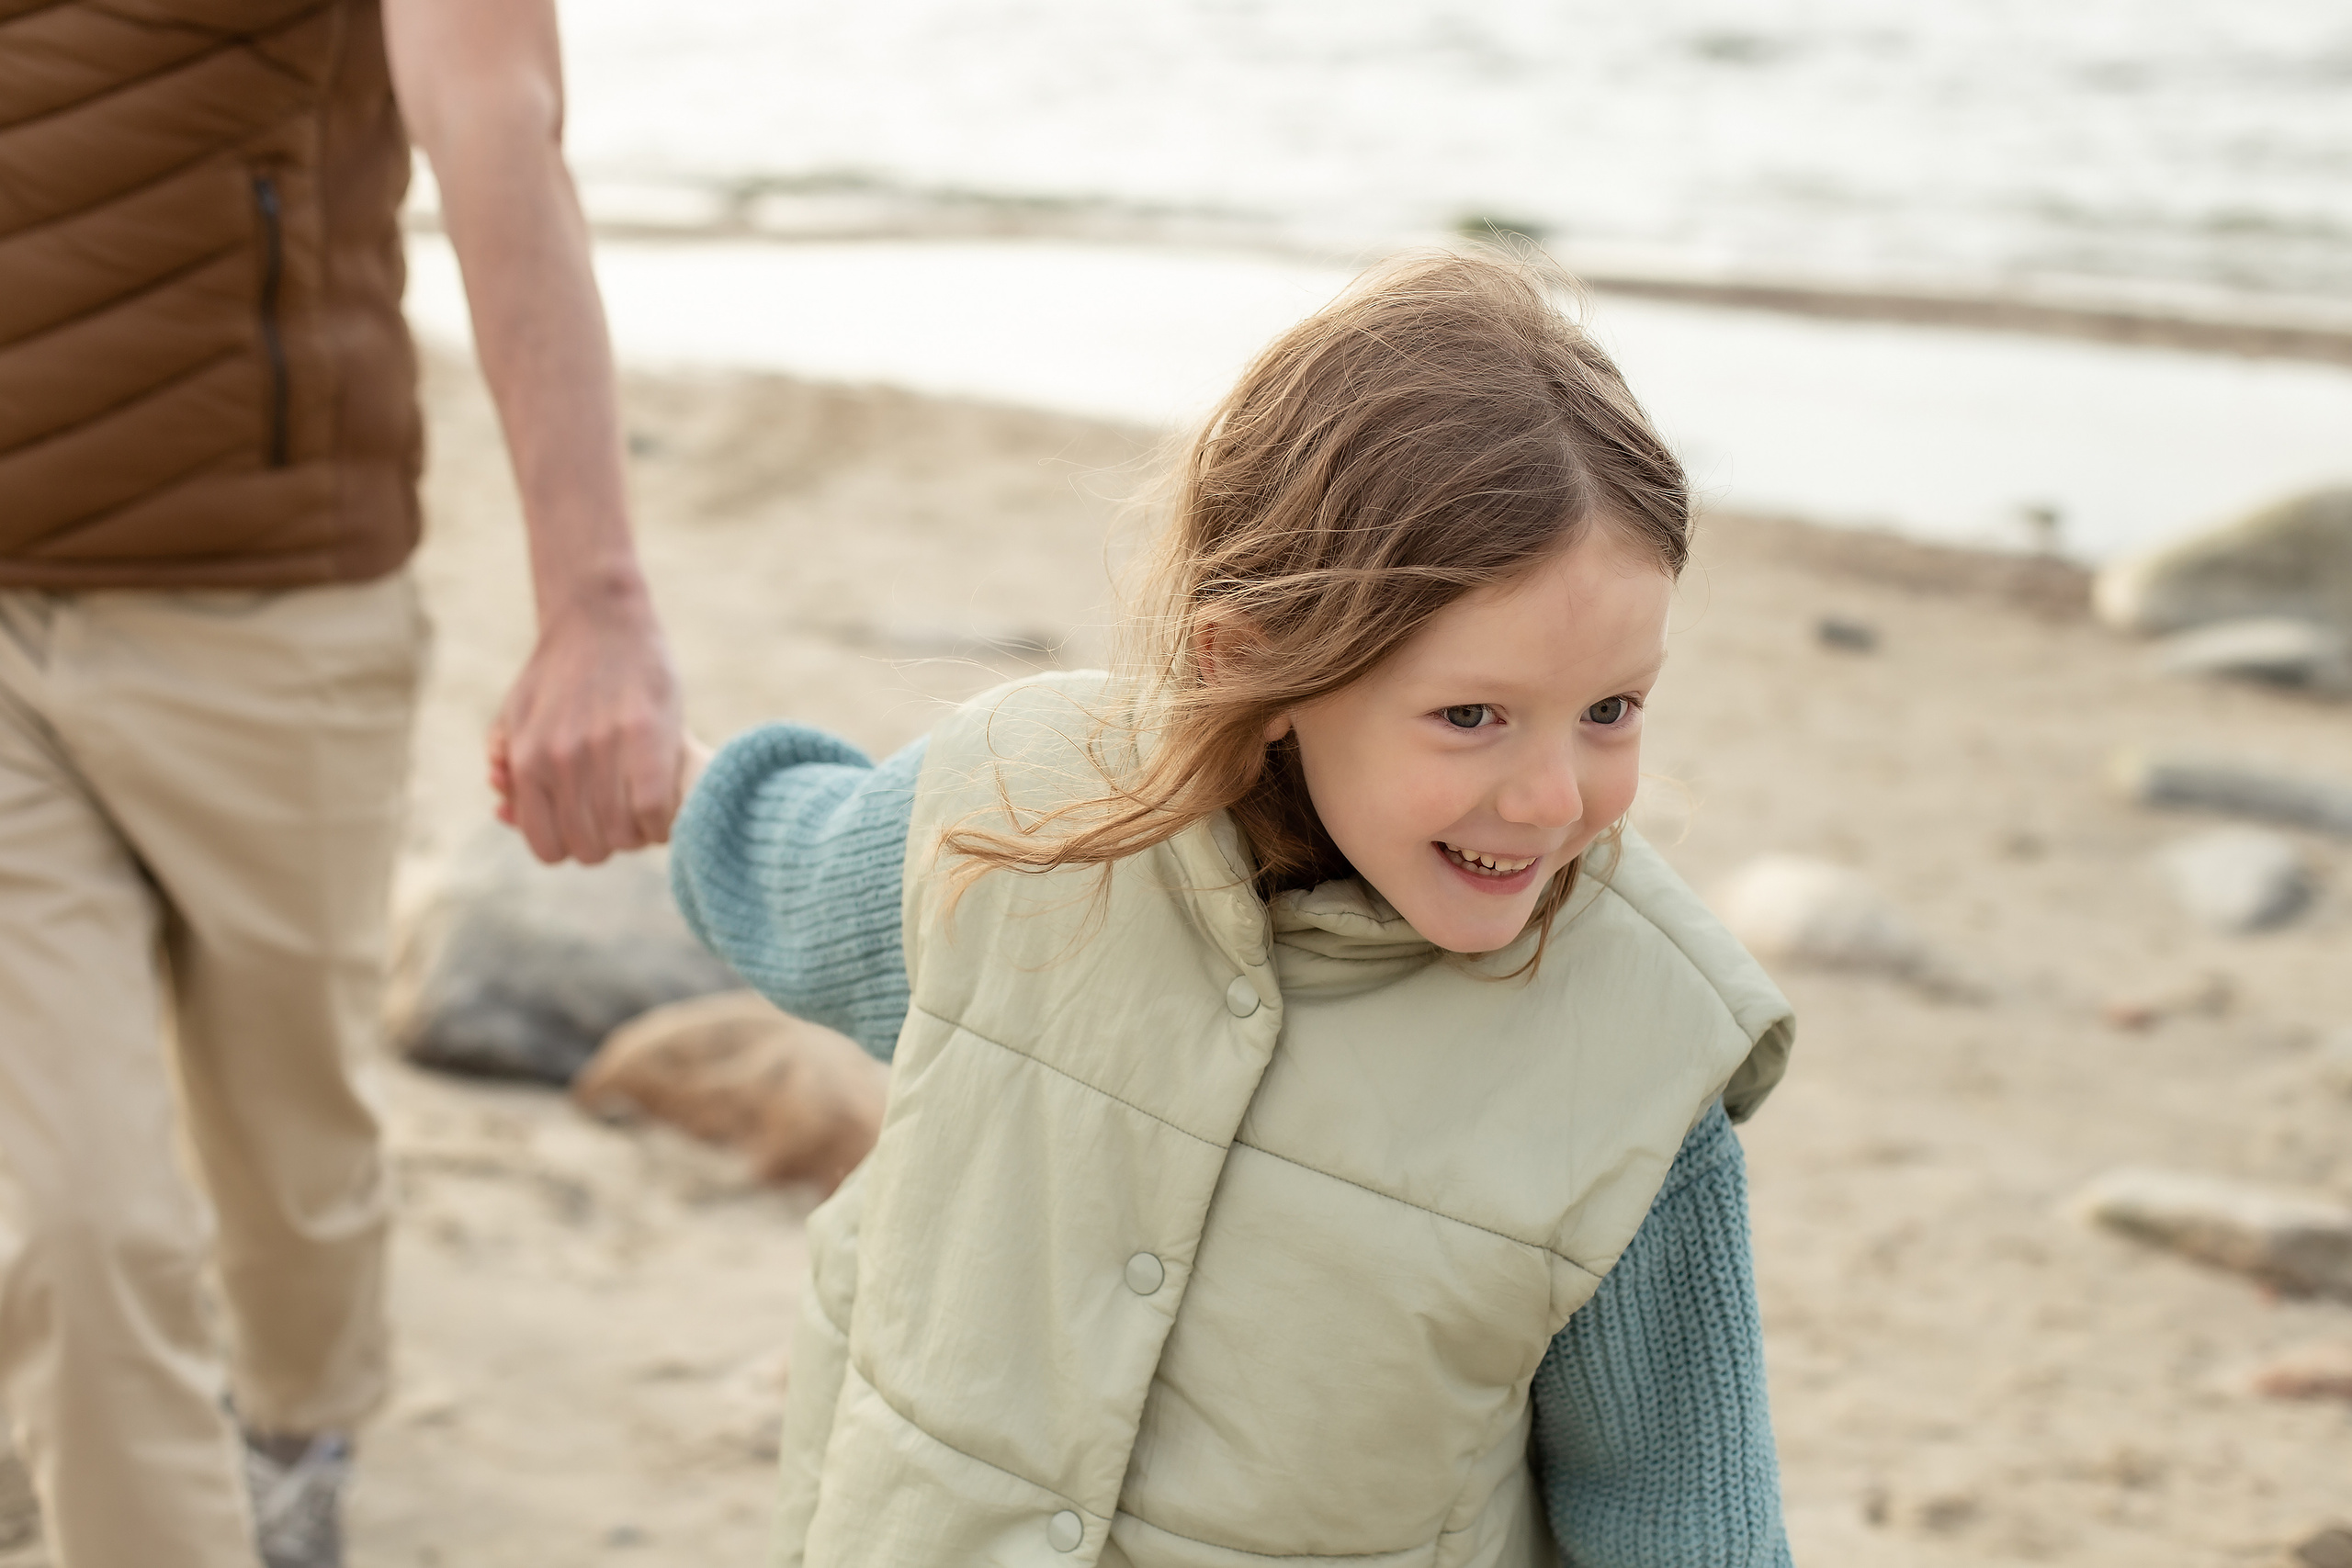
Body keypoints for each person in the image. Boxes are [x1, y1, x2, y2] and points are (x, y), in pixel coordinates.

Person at [666, 251, 1798, 1566]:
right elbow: (801, 879)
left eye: (1611, 710)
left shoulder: (1637, 1060)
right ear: (1255, 659)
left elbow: (1682, 1516)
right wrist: (670, 788)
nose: (1552, 796)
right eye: (1472, 716)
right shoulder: (1029, 817)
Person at [0, 1, 683, 1564]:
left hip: (268, 619)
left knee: (289, 1140)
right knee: (75, 1221)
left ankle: (301, 1428)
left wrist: (596, 605)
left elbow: (497, 123)